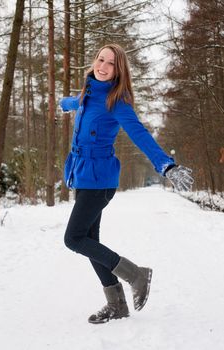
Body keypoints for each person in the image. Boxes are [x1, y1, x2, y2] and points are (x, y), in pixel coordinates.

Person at [59, 43, 194, 324]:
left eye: (111, 63)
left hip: (100, 180)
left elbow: (140, 134)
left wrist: (166, 165)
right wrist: (63, 103)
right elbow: (76, 102)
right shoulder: (86, 94)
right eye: (100, 59)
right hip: (82, 175)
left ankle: (136, 275)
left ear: (119, 71)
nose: (103, 66)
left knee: (73, 238)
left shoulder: (117, 102)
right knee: (90, 241)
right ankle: (117, 305)